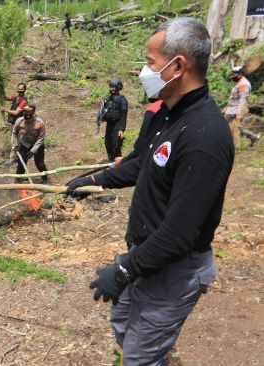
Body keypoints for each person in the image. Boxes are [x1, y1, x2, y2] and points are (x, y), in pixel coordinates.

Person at [67, 18, 234, 365]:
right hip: (148, 257)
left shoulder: (205, 137)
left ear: (178, 66)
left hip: (175, 267)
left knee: (139, 358)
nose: (145, 70)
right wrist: (93, 181)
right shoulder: (167, 112)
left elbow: (179, 233)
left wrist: (126, 270)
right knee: (122, 324)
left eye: (150, 62)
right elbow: (139, 162)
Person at [11, 104, 49, 184]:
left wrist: (33, 150)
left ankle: (45, 178)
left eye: (28, 112)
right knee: (21, 163)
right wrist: (16, 145)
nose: (26, 114)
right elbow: (14, 133)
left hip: (37, 145)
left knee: (40, 164)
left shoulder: (40, 123)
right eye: (24, 112)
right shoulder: (19, 121)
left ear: (33, 112)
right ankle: (18, 181)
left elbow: (40, 138)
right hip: (24, 144)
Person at [223, 66, 259, 147]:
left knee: (227, 126)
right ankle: (253, 136)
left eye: (234, 74)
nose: (232, 76)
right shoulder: (239, 83)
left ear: (240, 74)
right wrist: (226, 108)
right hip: (231, 109)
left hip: (235, 110)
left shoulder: (244, 84)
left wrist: (239, 113)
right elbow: (233, 98)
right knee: (234, 128)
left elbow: (242, 100)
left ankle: (230, 145)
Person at [100, 79, 128, 162]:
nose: (111, 89)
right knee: (108, 144)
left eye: (113, 87)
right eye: (110, 87)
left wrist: (121, 129)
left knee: (116, 146)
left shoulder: (122, 100)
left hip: (117, 126)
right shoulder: (109, 98)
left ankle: (118, 165)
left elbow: (124, 115)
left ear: (118, 87)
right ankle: (111, 162)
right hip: (109, 125)